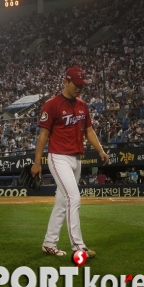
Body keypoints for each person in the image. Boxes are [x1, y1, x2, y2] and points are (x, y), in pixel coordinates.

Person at [31, 66, 109, 258]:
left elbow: (89, 130)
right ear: (66, 82)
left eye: (82, 85)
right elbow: (43, 135)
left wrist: (100, 150)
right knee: (74, 198)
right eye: (76, 84)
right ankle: (79, 247)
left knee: (62, 201)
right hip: (58, 157)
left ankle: (49, 242)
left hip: (76, 158)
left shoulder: (82, 104)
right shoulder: (52, 104)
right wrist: (37, 162)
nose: (79, 88)